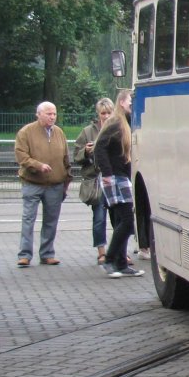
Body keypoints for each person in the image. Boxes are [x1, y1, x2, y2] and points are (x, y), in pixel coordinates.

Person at [94, 89, 145, 279]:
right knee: (126, 221)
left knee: (123, 221)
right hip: (114, 177)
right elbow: (100, 147)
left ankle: (121, 264)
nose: (133, 106)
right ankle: (109, 260)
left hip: (121, 176)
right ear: (122, 103)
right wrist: (107, 173)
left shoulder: (126, 122)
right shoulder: (115, 122)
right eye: (130, 103)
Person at [15, 101, 73, 267]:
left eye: (54, 114)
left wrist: (67, 178)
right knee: (28, 219)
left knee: (51, 220)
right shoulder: (26, 132)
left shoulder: (59, 133)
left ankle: (47, 254)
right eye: (48, 114)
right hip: (32, 182)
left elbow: (65, 158)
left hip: (55, 184)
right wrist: (38, 165)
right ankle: (25, 255)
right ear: (38, 114)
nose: (52, 117)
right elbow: (22, 156)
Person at [74, 98, 115, 264]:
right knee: (99, 218)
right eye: (102, 113)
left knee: (119, 218)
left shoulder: (118, 128)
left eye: (108, 113)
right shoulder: (87, 131)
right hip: (97, 181)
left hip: (115, 178)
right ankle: (101, 251)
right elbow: (76, 155)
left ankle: (119, 251)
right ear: (98, 114)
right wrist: (86, 151)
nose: (105, 116)